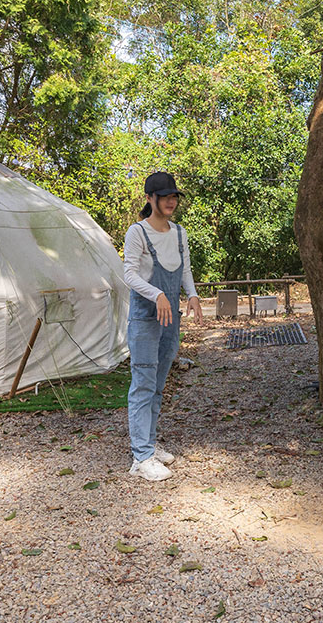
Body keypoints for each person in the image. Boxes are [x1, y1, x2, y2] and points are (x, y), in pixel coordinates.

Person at [122, 171, 203, 481]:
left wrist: (193, 295)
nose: (171, 201)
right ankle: (140, 458)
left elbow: (184, 270)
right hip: (145, 317)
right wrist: (157, 294)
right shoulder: (137, 233)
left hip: (171, 319)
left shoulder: (179, 233)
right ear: (149, 199)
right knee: (143, 383)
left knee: (158, 385)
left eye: (174, 196)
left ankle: (149, 444)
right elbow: (129, 274)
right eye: (165, 196)